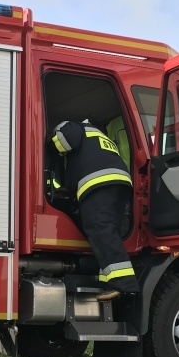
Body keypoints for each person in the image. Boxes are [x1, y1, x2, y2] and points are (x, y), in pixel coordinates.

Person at [50, 120, 139, 301]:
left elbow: (66, 140)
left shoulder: (74, 128)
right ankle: (107, 280)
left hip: (98, 182)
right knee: (111, 232)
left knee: (100, 229)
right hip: (121, 182)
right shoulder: (98, 135)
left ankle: (123, 283)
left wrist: (52, 143)